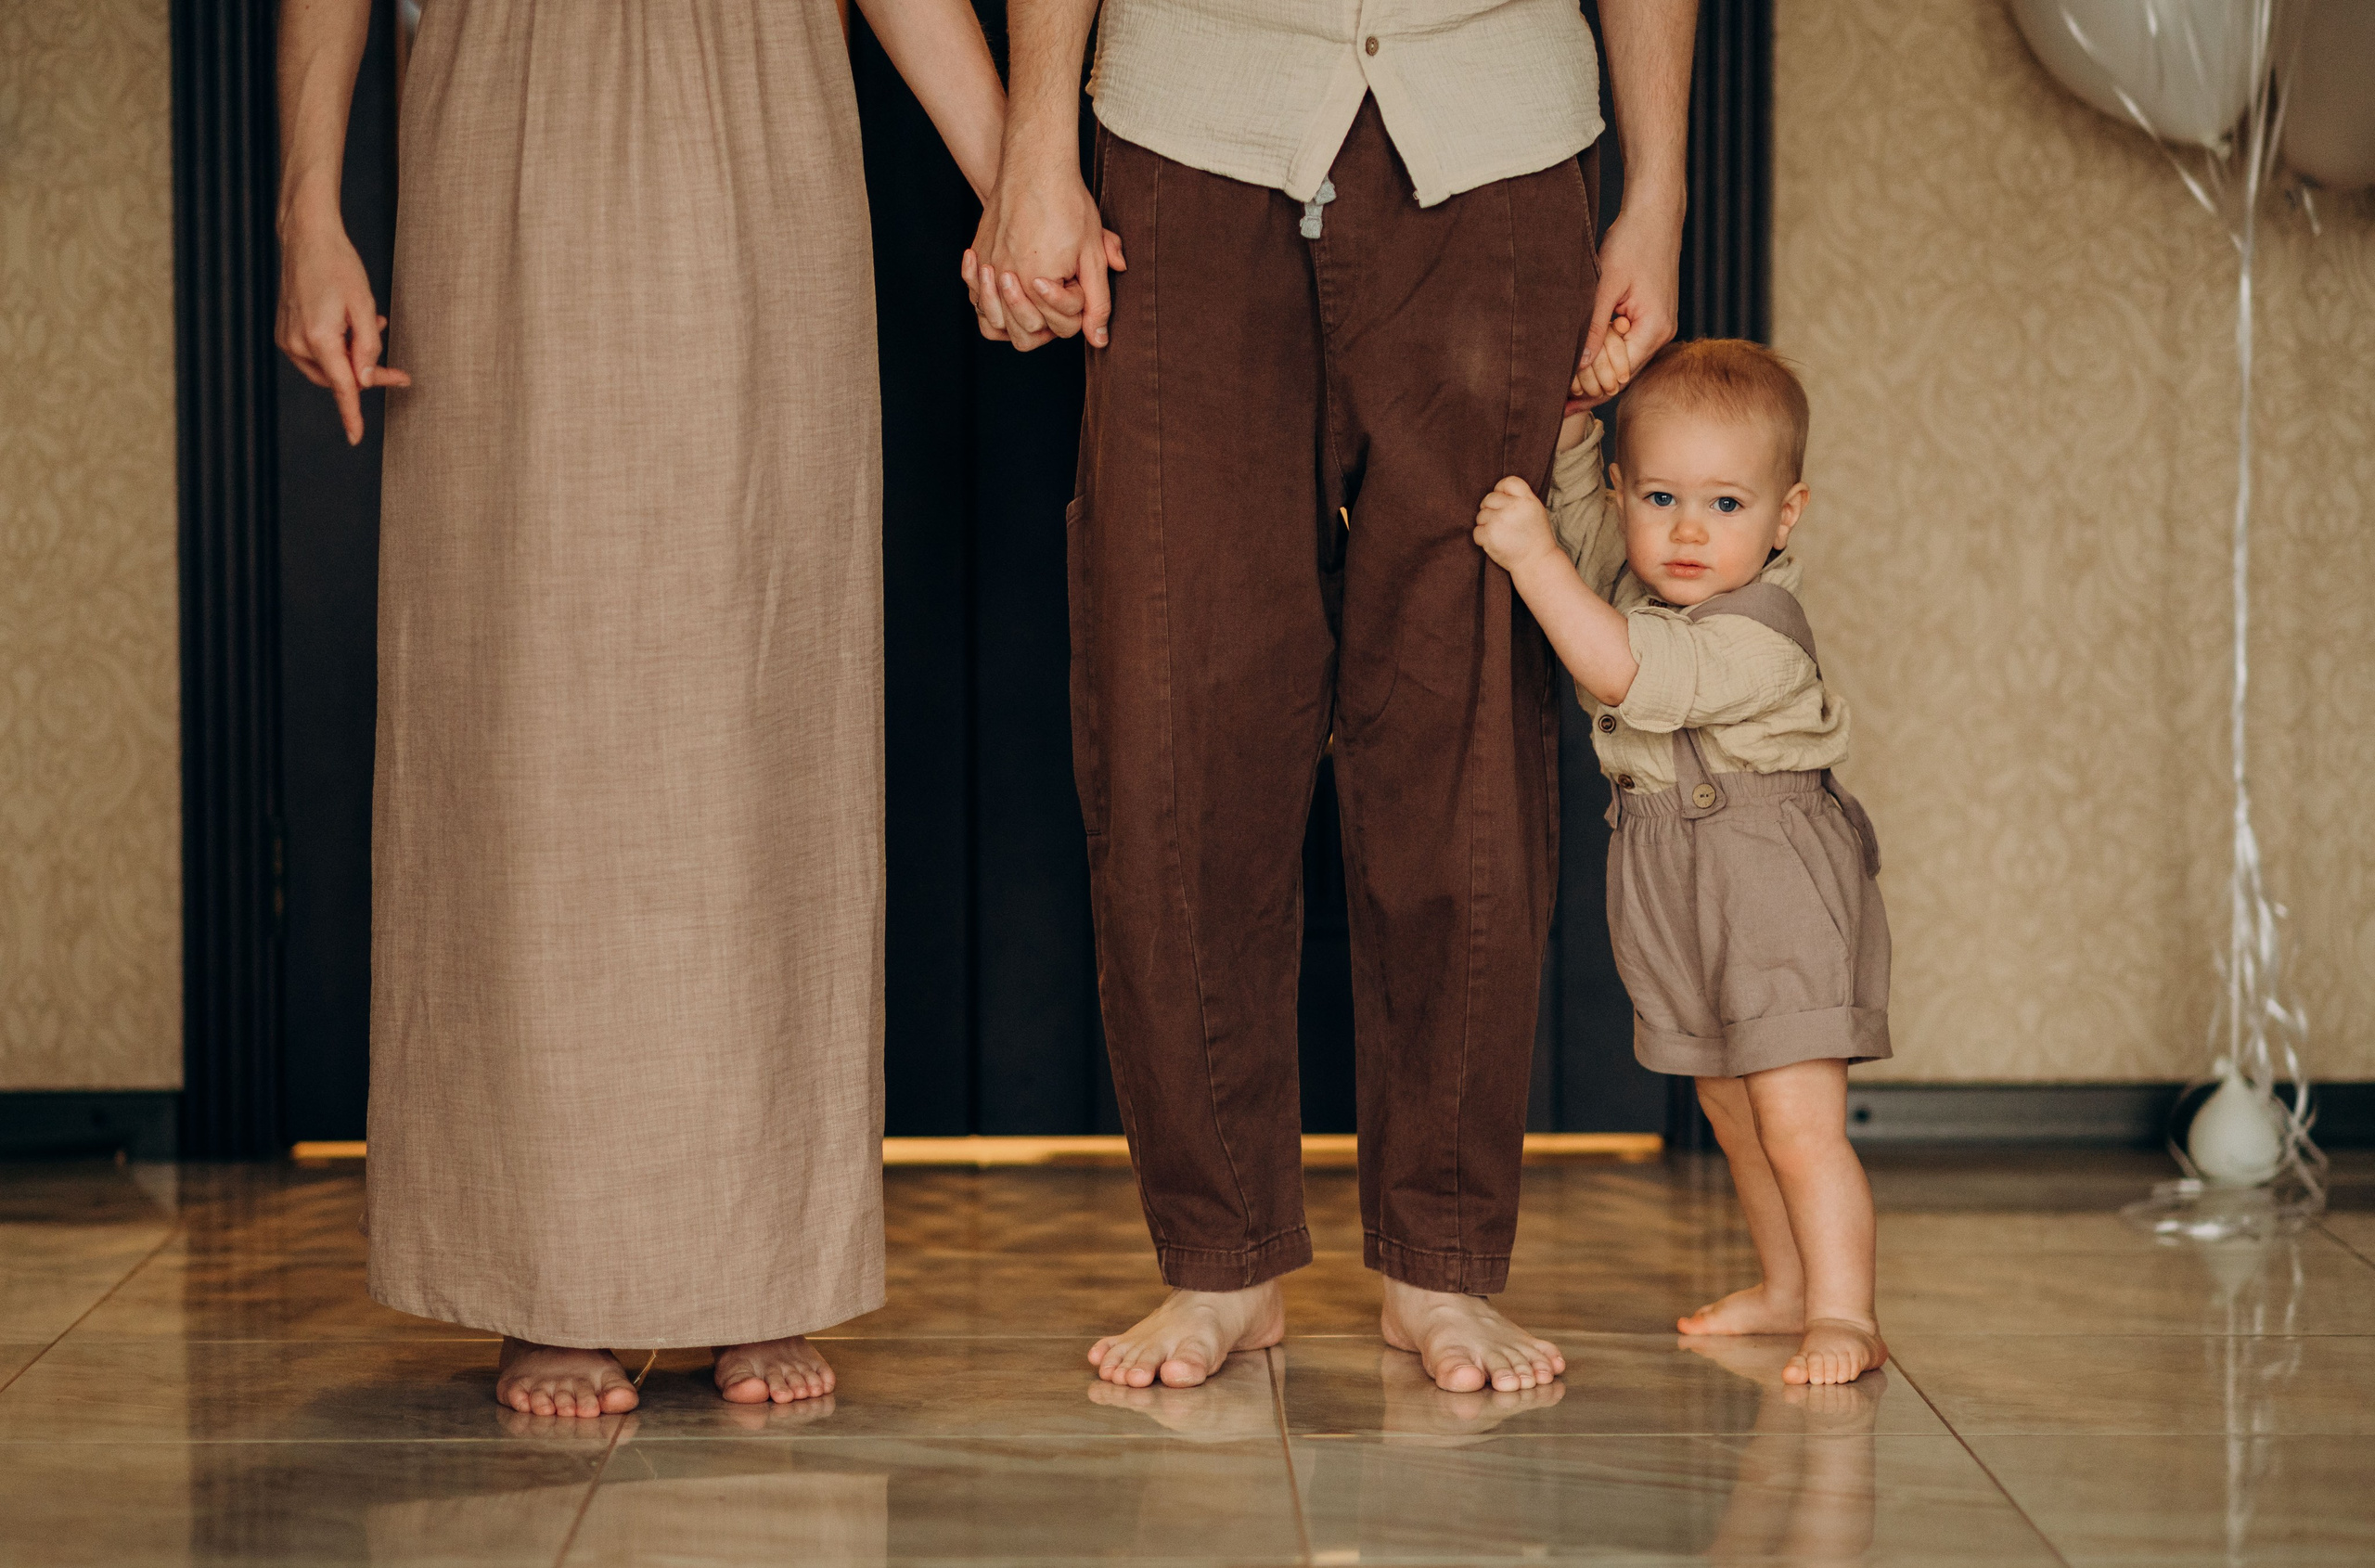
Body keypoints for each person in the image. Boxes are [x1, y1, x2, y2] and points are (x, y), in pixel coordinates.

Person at [274, 0, 1008, 1416]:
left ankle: (756, 1262)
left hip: (764, 106)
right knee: (526, 704)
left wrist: (1012, 175)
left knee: (763, 704)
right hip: (509, 114)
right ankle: (538, 1265)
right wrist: (313, 208)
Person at [965, 0, 1699, 1394]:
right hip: (1188, 126)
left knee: (1465, 707)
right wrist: (1035, 137)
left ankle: (1442, 1255)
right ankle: (1218, 1254)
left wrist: (1657, 187)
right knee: (1180, 692)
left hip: (1500, 141)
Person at [1472, 336, 1893, 1386]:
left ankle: (1845, 1312)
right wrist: (1573, 420)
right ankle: (1788, 1283)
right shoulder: (1631, 567)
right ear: (1625, 494)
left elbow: (1620, 667)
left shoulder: (1761, 636)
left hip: (1775, 885)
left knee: (1797, 1117)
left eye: (1725, 505)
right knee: (1728, 1102)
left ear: (1784, 515)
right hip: (1676, 883)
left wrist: (1528, 562)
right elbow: (1577, 525)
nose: (1688, 531)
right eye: (1659, 497)